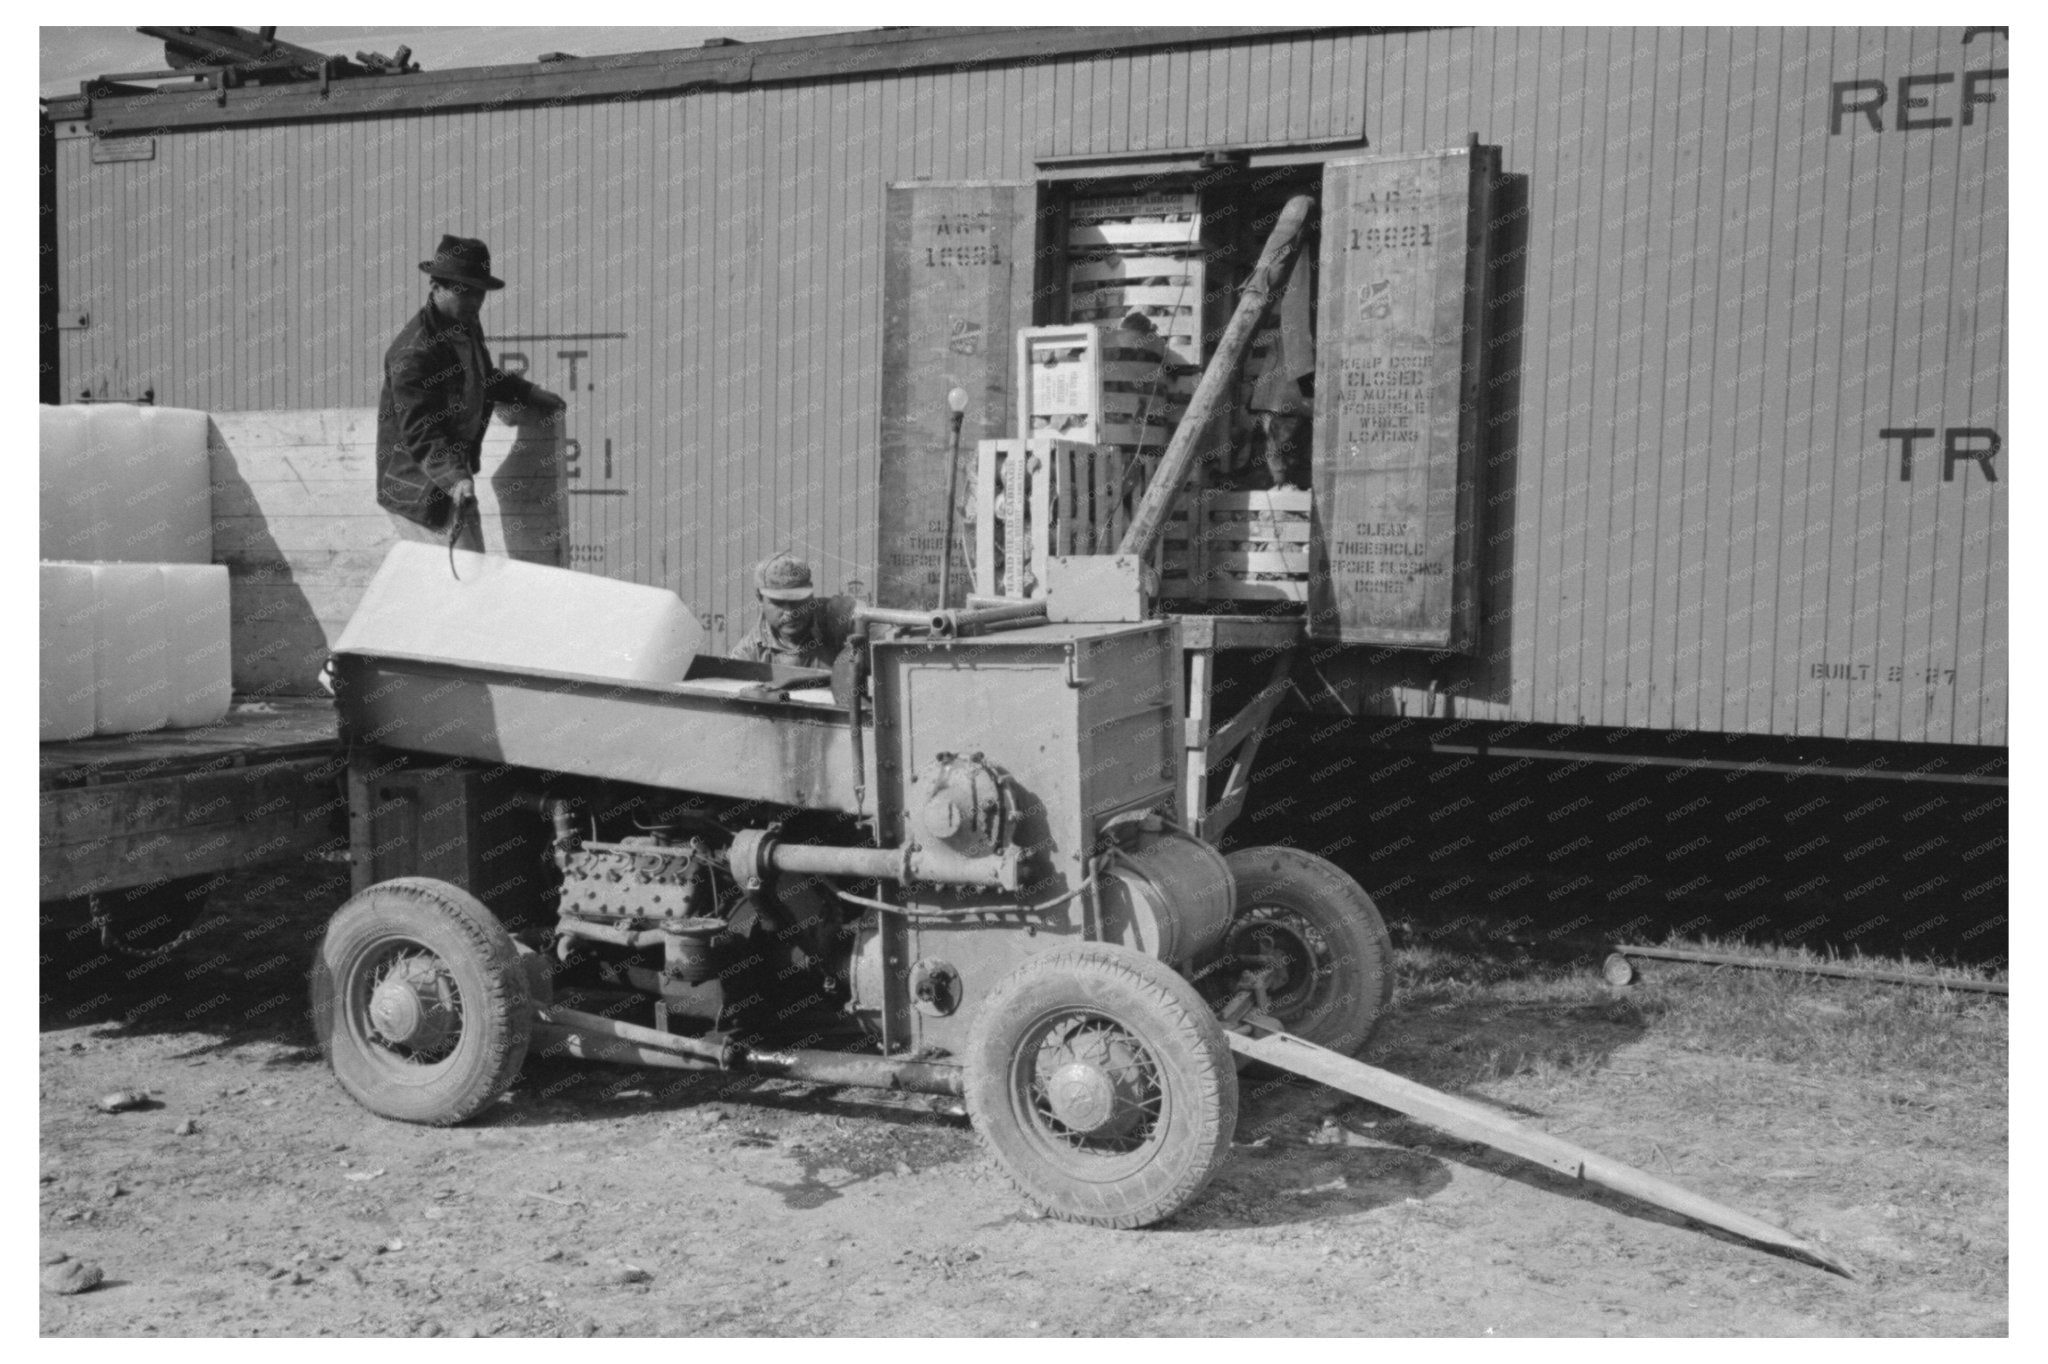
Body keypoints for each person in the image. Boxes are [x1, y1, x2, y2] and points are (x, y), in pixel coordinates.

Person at [375, 234, 565, 551]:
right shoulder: (413, 353)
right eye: (463, 291)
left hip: (452, 482)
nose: (474, 301)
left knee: (472, 573)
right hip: (419, 490)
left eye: (479, 292)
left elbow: (483, 378)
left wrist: (528, 392)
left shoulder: (464, 325)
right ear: (435, 288)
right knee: (465, 580)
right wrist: (455, 478)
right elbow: (422, 432)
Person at [728, 554, 863, 670]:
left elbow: (875, 621)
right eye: (779, 603)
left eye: (797, 601)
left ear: (811, 595)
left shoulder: (834, 614)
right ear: (759, 598)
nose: (791, 613)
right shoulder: (749, 651)